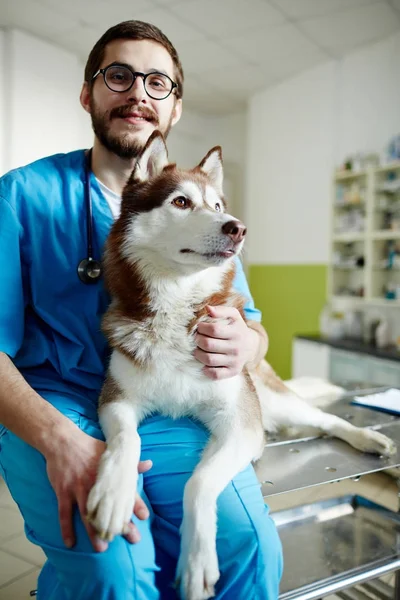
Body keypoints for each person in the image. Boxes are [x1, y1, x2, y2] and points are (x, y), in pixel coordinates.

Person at [0, 20, 283, 600]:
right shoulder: (21, 196)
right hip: (53, 402)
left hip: (167, 402)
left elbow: (254, 329)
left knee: (246, 543)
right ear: (88, 94)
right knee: (115, 567)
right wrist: (60, 441)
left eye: (159, 83)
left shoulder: (204, 221)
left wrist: (247, 343)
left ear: (175, 108)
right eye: (120, 76)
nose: (139, 94)